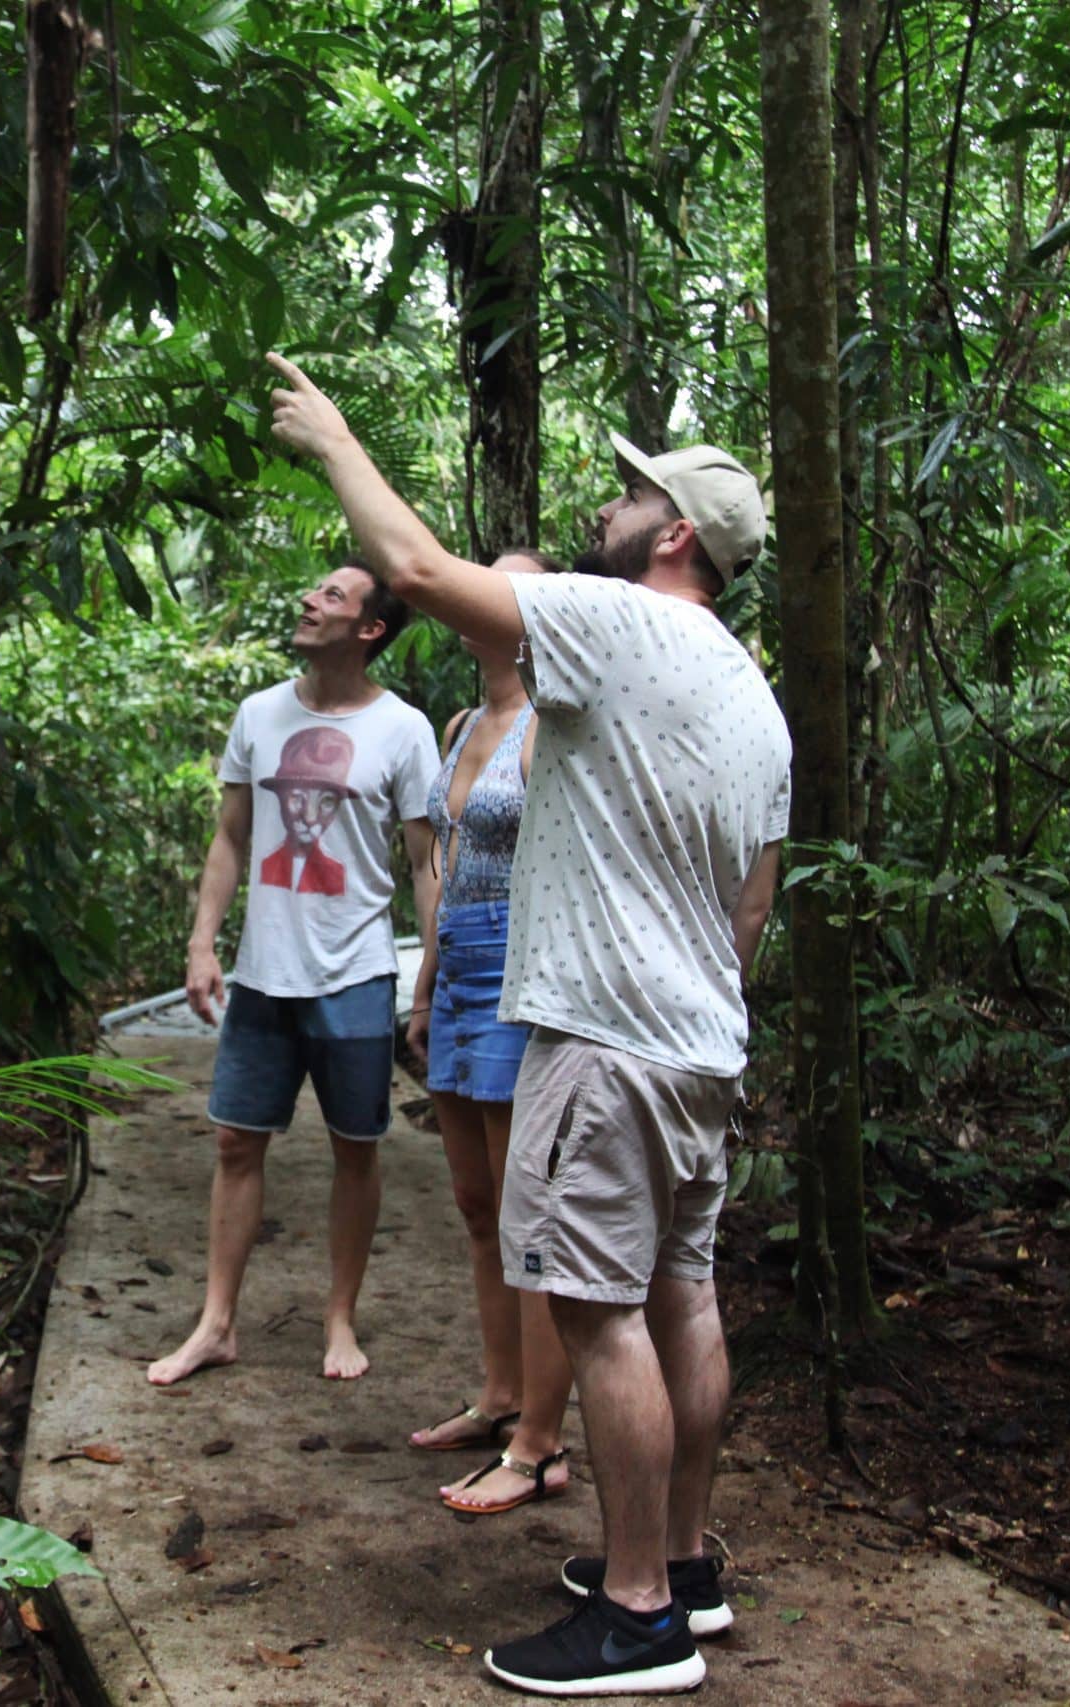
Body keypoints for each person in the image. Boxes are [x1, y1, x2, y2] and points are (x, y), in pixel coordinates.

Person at [268, 353, 787, 1698]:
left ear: (675, 535)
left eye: (631, 496)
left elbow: (423, 572)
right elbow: (750, 907)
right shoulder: (755, 697)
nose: (608, 510)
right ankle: (684, 1565)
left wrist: (335, 441)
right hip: (697, 1046)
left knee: (598, 1307)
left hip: (607, 1039)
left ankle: (634, 1618)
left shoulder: (625, 625)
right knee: (684, 1292)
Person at [149, 561, 441, 1388]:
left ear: (369, 629)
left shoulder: (404, 730)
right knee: (236, 1141)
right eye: (314, 588)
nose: (309, 597)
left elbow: (425, 863)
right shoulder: (259, 714)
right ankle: (216, 1323)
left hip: (355, 969)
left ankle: (340, 1317)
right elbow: (231, 838)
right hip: (263, 974)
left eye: (333, 595)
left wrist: (429, 981)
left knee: (357, 1146)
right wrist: (204, 945)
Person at [404, 550, 582, 1522]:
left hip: (526, 968)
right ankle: (499, 1391)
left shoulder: (555, 721)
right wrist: (424, 987)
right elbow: (442, 863)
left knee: (529, 1212)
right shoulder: (462, 722)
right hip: (458, 967)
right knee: (476, 1204)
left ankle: (541, 1441)